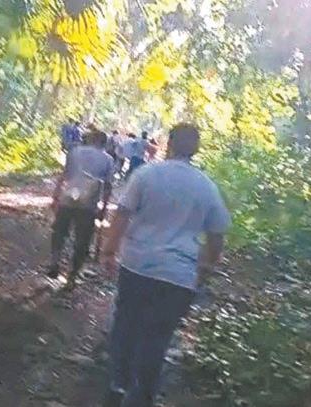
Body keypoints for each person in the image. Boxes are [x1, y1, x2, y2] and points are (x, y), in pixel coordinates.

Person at [102, 123, 231, 407]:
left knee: (126, 325)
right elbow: (217, 235)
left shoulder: (146, 175)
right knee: (158, 337)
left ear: (169, 144)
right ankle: (142, 395)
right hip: (178, 275)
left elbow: (122, 215)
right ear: (196, 149)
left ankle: (118, 384)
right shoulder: (207, 187)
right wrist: (205, 269)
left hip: (137, 266)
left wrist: (109, 251)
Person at [49, 130, 114, 291]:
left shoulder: (74, 152)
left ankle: (55, 260)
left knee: (60, 231)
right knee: (82, 240)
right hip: (88, 204)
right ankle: (72, 276)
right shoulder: (108, 159)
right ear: (104, 143)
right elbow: (108, 186)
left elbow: (64, 176)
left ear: (90, 139)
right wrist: (104, 208)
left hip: (68, 198)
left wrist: (56, 197)